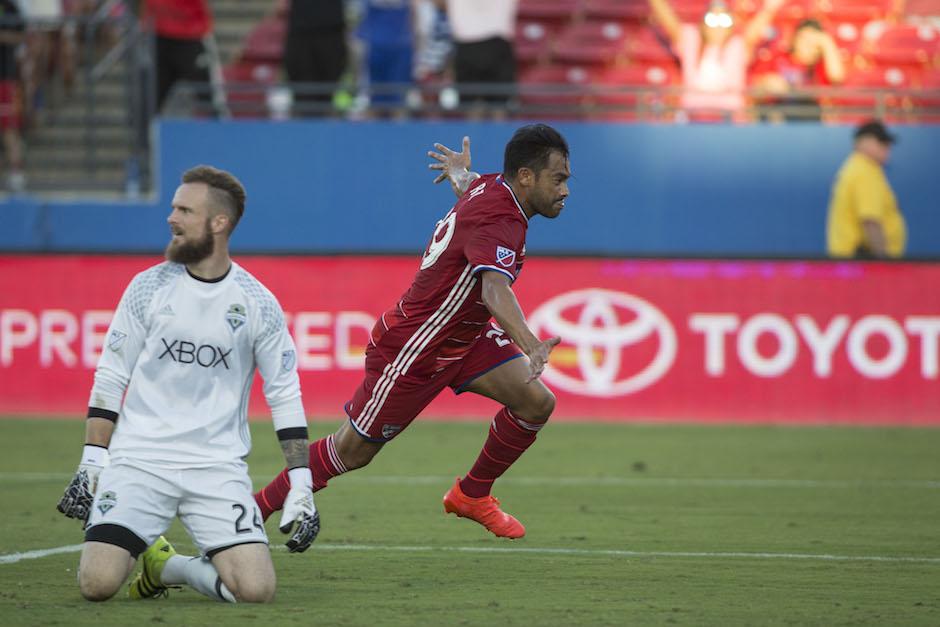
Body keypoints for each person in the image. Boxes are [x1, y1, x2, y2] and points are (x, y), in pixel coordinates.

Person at [255, 124, 571, 539]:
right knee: (352, 450)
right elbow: (494, 289)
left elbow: (472, 191)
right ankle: (247, 513)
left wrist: (460, 175)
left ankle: (472, 495)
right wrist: (530, 344)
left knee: (535, 402)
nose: (565, 190)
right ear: (526, 176)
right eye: (559, 179)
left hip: (463, 338)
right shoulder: (501, 216)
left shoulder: (493, 187)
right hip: (415, 347)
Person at [55, 165, 319, 603]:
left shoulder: (258, 304)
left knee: (257, 591)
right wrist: (92, 461)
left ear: (219, 223)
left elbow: (284, 394)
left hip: (216, 469)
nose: (170, 218)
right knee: (96, 585)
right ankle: (154, 555)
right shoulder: (147, 288)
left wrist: (302, 483)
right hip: (139, 460)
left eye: (184, 210)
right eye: (173, 207)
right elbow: (111, 374)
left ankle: (166, 566)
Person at [648, 0, 784, 118]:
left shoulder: (737, 46)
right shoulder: (691, 40)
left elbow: (755, 29)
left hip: (730, 117)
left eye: (724, 20)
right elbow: (667, 18)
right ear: (703, 23)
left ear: (730, 26)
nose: (718, 25)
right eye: (712, 19)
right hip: (694, 116)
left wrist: (770, 7)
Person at [826, 120, 906, 259]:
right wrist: (884, 262)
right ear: (864, 142)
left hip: (853, 261)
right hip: (863, 261)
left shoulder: (854, 167)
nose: (887, 147)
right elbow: (870, 221)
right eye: (881, 142)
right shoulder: (866, 171)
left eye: (888, 144)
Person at [752, 19, 846, 121]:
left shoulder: (821, 66)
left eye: (812, 41)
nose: (807, 45)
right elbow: (756, 90)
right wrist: (767, 84)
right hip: (777, 118)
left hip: (810, 122)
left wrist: (827, 42)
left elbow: (837, 76)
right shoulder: (779, 58)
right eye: (803, 38)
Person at [141, 0, 215, 112]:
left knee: (208, 99)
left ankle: (217, 126)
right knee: (149, 102)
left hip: (192, 35)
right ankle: (145, 128)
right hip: (158, 35)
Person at [446, 0, 518, 115]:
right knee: (497, 106)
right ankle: (496, 132)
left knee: (481, 106)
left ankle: (475, 132)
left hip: (471, 42)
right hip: (490, 41)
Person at [283, 0, 347, 115]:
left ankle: (326, 126)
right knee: (302, 93)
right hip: (300, 32)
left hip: (331, 31)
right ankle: (302, 125)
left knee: (328, 91)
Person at [0, 0, 25, 191]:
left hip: (5, 78)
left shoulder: (11, 8)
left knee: (8, 127)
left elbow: (22, 36)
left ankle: (16, 175)